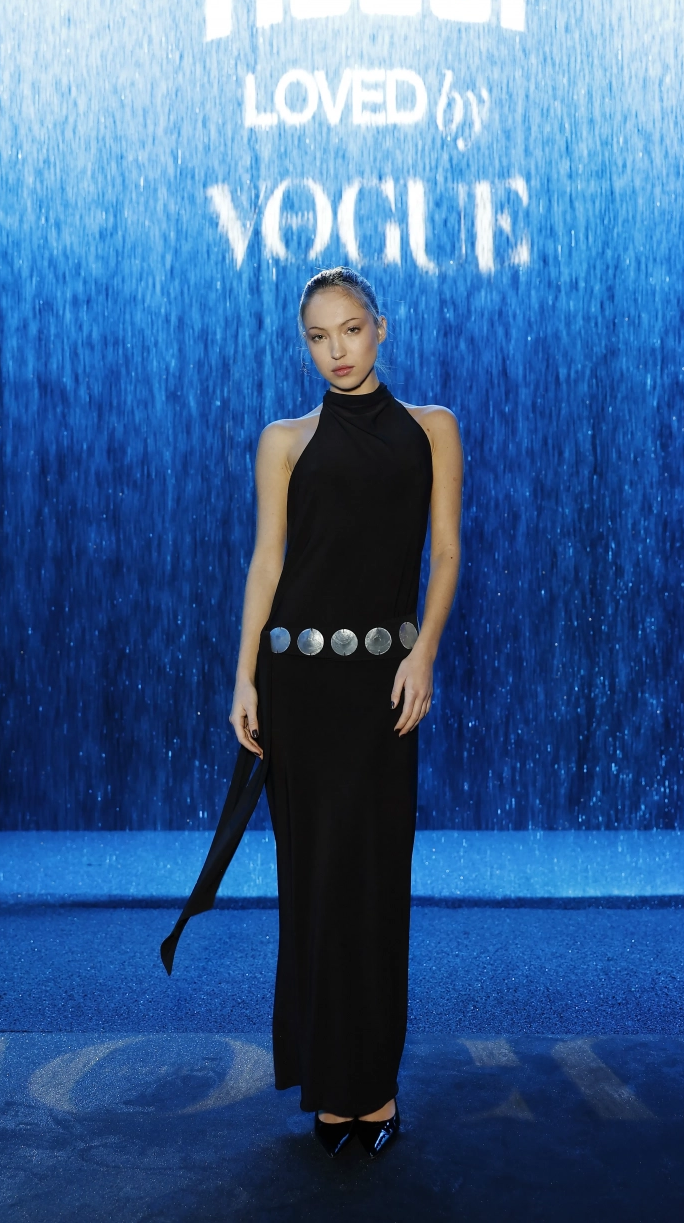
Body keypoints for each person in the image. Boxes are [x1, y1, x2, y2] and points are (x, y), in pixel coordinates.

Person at [161, 266, 463, 1158]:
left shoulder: (433, 428)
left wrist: (424, 652)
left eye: (351, 330)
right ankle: (334, 1092)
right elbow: (267, 562)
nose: (337, 350)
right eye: (319, 337)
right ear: (306, 345)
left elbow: (446, 553)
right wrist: (243, 678)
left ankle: (377, 1088)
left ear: (381, 328)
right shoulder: (283, 440)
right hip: (298, 687)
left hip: (382, 692)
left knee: (376, 883)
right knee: (315, 887)